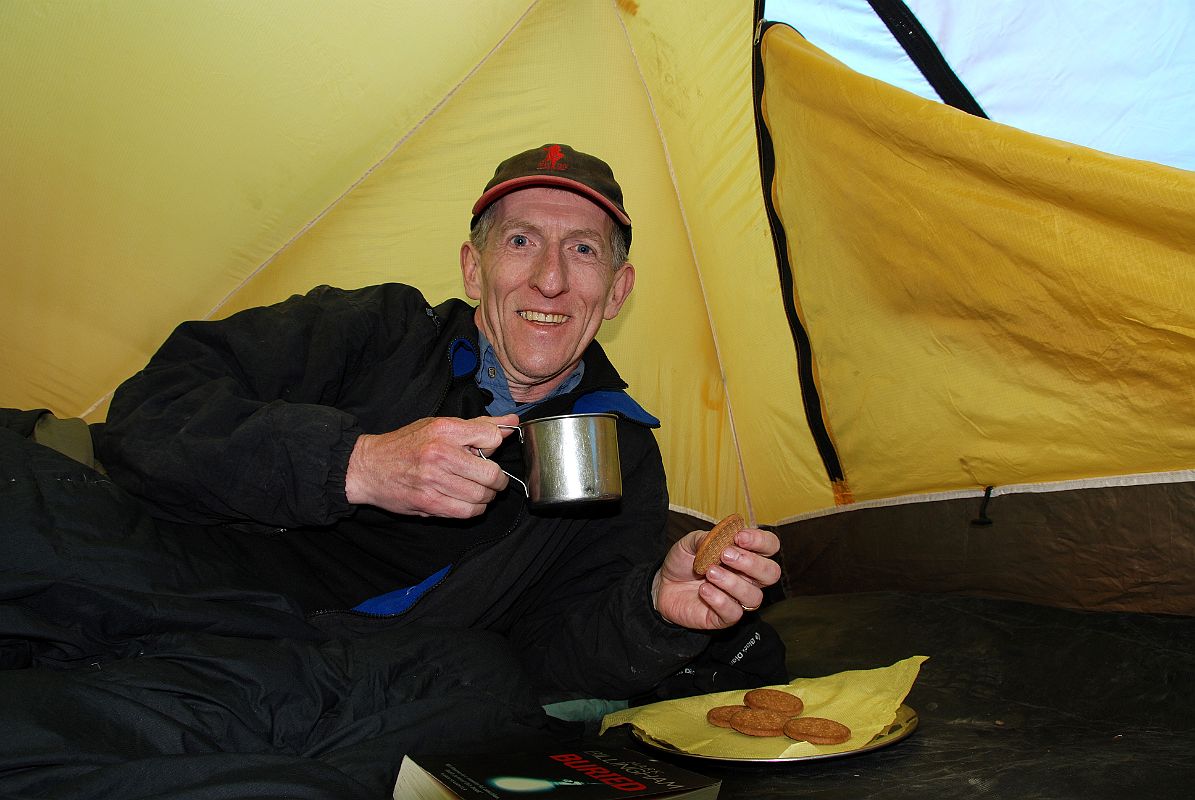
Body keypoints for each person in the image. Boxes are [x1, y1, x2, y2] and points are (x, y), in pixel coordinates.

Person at [2, 144, 781, 797]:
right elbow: (154, 410)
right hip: (152, 556)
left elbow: (551, 654)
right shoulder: (377, 331)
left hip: (305, 668)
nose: (549, 279)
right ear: (473, 269)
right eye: (519, 242)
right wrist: (354, 462)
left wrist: (655, 610)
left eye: (582, 250)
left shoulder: (616, 454)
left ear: (616, 290)